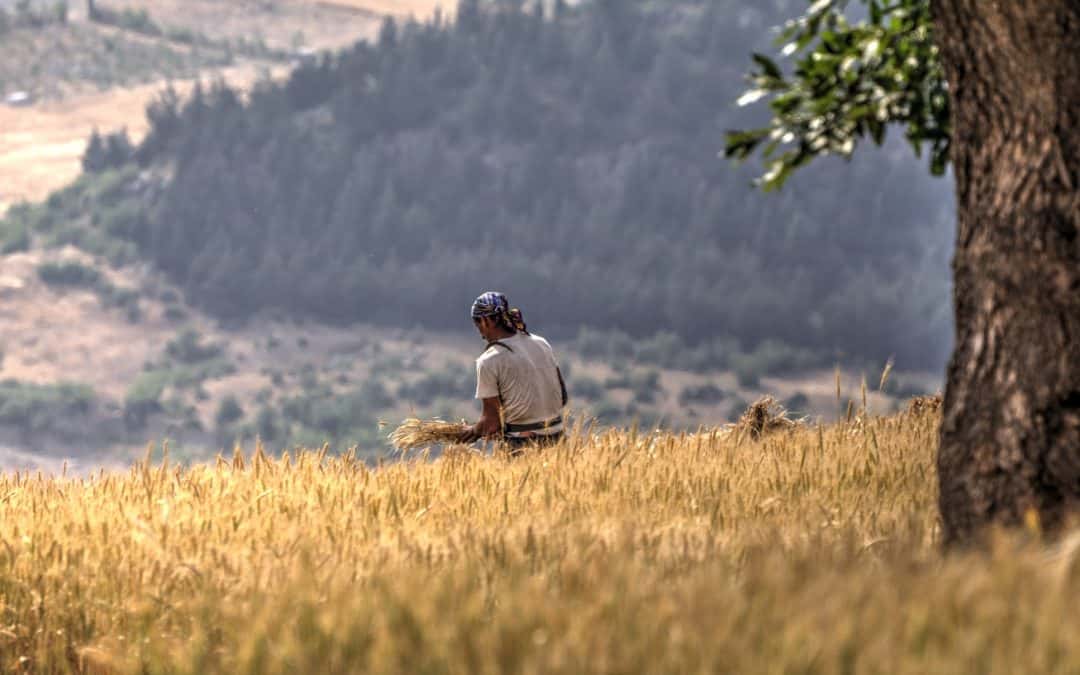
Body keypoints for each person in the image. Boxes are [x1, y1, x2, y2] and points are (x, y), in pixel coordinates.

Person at [457, 292, 568, 454]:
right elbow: (562, 396)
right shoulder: (541, 343)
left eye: (477, 323)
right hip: (559, 440)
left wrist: (472, 431)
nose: (480, 332)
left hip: (522, 445)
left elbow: (491, 422)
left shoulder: (488, 361)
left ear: (487, 320)